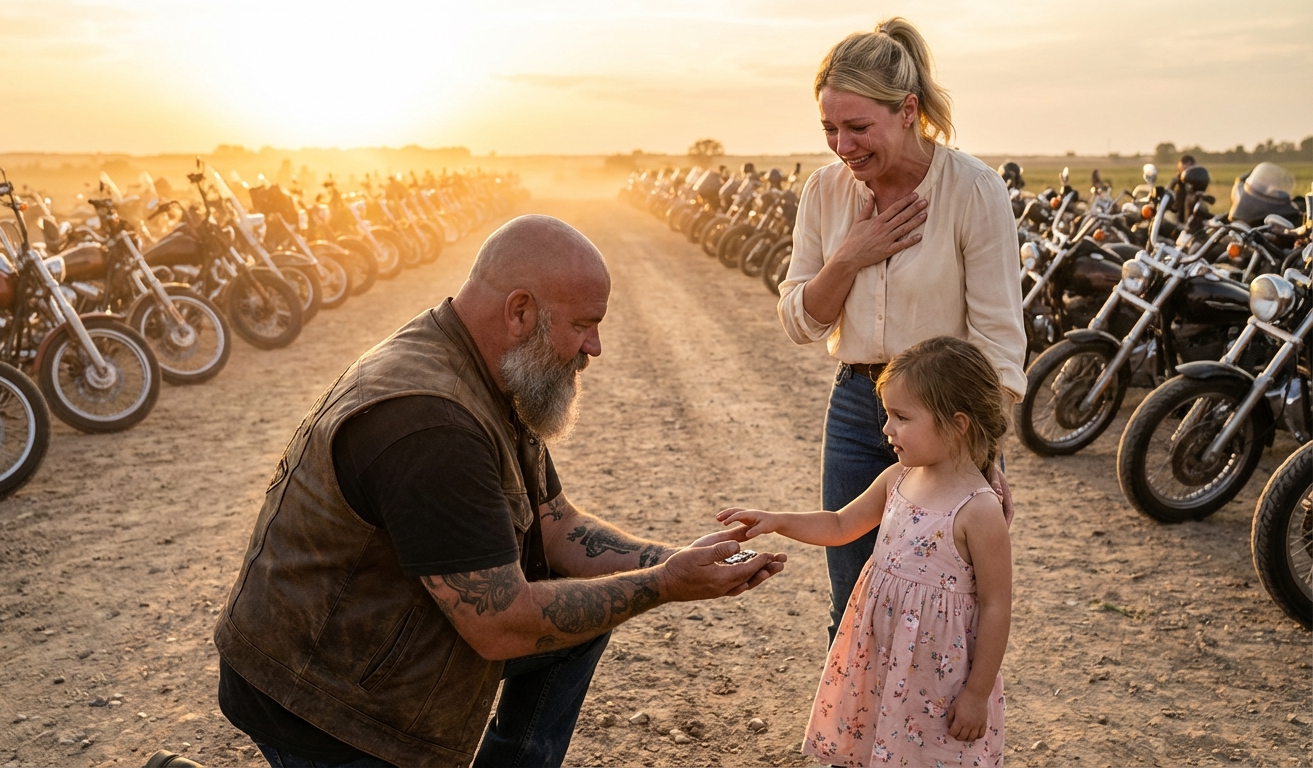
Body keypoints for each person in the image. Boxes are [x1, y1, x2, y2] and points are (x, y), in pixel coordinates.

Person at [212, 214, 786, 768]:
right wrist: (664, 584)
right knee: (578, 606)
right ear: (520, 311)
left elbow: (556, 524)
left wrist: (680, 560)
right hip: (324, 700)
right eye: (584, 324)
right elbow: (500, 623)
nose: (595, 347)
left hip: (371, 655)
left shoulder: (490, 365)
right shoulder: (432, 425)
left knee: (585, 602)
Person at [776, 17, 1026, 645]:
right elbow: (800, 321)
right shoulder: (826, 192)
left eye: (858, 127)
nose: (842, 146)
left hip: (951, 421)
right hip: (859, 409)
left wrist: (984, 448)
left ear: (908, 109)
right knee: (854, 607)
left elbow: (998, 340)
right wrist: (850, 256)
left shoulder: (974, 190)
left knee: (941, 614)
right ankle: (850, 746)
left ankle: (925, 745)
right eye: (830, 128)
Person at [717, 336, 1012, 767]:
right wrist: (777, 520)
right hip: (883, 661)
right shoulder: (898, 477)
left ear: (958, 423)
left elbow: (996, 606)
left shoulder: (979, 510)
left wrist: (977, 693)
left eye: (901, 417)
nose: (886, 428)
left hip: (939, 678)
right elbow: (839, 525)